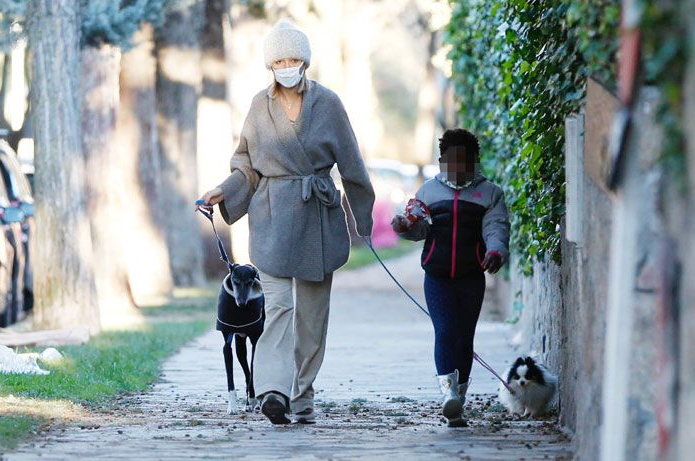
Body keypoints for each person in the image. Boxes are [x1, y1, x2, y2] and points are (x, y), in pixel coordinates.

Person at [198, 20, 374, 425]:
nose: (287, 66)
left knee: (311, 319)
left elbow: (351, 163)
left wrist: (363, 216)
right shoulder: (260, 106)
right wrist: (224, 189)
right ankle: (273, 392)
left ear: (305, 61)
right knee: (276, 309)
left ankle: (302, 394)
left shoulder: (328, 104)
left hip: (317, 218)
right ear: (269, 64)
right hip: (272, 218)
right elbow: (245, 163)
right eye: (279, 60)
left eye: (293, 59)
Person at [391, 128, 510, 427]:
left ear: (475, 161)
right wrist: (404, 227)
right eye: (451, 161)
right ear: (442, 161)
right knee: (446, 331)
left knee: (464, 337)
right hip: (438, 276)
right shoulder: (428, 192)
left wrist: (496, 251)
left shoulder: (490, 194)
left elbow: (496, 227)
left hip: (472, 276)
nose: (457, 167)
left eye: (464, 160)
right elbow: (419, 230)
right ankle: (448, 396)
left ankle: (460, 397)